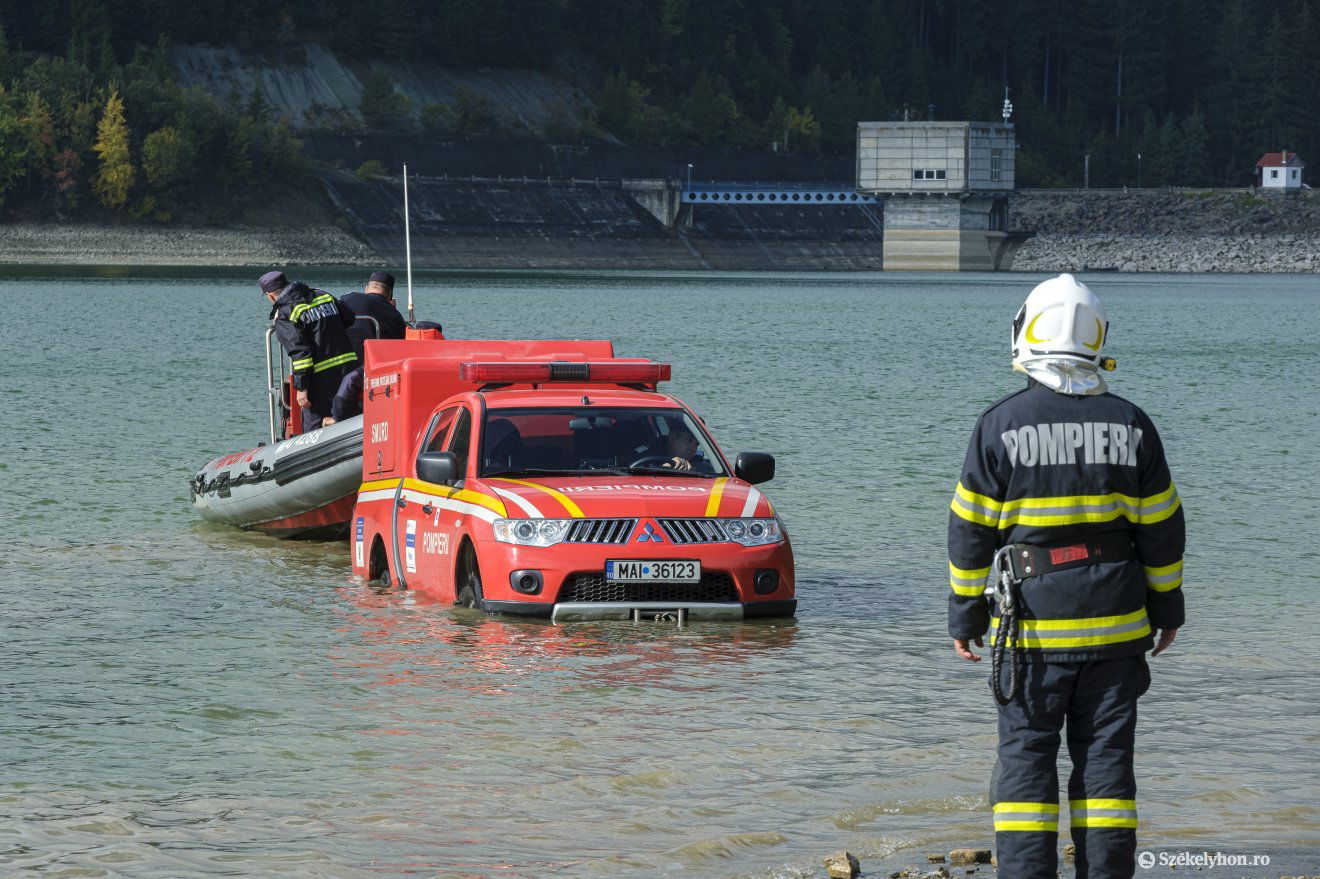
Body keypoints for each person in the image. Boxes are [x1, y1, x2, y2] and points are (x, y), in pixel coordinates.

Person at [947, 274, 1185, 879]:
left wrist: (966, 614)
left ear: (1026, 332)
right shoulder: (1133, 425)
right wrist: (1168, 608)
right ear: (1098, 337)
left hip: (1032, 637)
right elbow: (1161, 528)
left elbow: (971, 531)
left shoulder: (999, 425)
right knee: (1107, 767)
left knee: (1026, 763)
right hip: (1116, 634)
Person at [258, 271, 359, 433]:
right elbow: (349, 317)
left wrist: (302, 388)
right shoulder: (323, 295)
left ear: (270, 296)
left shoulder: (286, 314)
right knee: (349, 419)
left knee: (314, 430)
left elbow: (300, 354)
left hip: (320, 379)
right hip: (349, 370)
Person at [340, 271, 408, 344]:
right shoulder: (396, 316)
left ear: (366, 288)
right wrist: (393, 309)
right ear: (390, 295)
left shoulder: (347, 298)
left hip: (343, 351)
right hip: (374, 354)